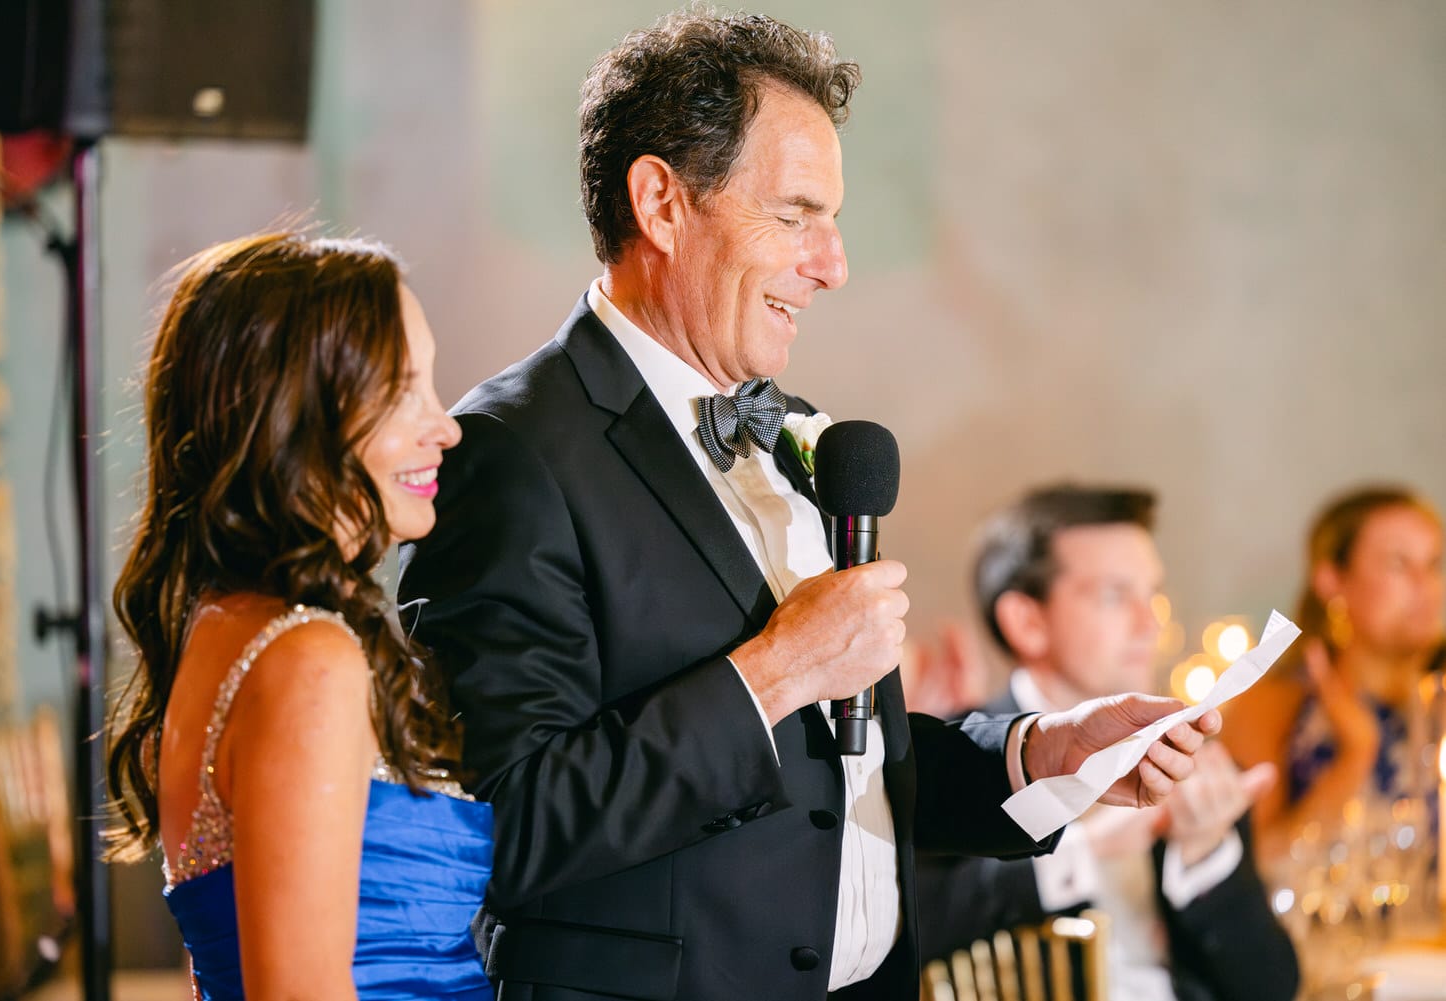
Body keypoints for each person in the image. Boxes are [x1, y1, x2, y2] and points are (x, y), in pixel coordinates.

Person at [399, 12, 1216, 1001]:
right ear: (660, 203)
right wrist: (776, 669)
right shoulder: (512, 450)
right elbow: (509, 820)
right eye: (794, 215)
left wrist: (1040, 753)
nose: (831, 263)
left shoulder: (793, 432)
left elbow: (845, 767)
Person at [104, 232, 493, 999]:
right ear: (298, 412)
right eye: (403, 388)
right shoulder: (308, 657)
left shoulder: (225, 629)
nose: (444, 424)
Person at [913, 485, 1299, 1001]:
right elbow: (909, 927)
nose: (1151, 623)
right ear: (1028, 622)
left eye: (1153, 595)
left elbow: (1272, 989)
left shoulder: (1189, 758)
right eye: (1115, 595)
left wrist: (1205, 854)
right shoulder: (948, 760)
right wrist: (1082, 853)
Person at [1225, 486, 1444, 868]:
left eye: (1434, 564)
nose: (1424, 585)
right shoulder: (1276, 703)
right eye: (1398, 564)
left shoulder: (1437, 702)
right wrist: (1357, 752)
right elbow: (1252, 874)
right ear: (1331, 580)